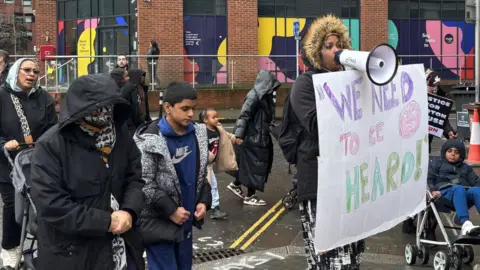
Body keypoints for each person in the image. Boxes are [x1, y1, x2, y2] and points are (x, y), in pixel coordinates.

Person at [30, 74, 146, 270]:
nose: (104, 113)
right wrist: (105, 222)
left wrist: (129, 210)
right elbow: (51, 204)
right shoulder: (51, 145)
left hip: (120, 249)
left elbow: (135, 179)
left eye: (109, 106)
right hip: (71, 254)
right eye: (97, 107)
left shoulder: (121, 136)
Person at [288, 14, 363, 268]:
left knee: (350, 258)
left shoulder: (353, 81)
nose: (336, 51)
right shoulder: (305, 84)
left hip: (348, 182)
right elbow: (316, 125)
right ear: (317, 53)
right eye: (328, 46)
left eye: (339, 45)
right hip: (318, 184)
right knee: (328, 260)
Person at [134, 82, 211, 270]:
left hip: (186, 221)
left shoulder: (199, 133)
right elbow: (144, 184)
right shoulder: (149, 140)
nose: (191, 114)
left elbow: (201, 173)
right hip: (158, 222)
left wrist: (203, 200)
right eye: (185, 109)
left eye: (193, 108)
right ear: (167, 107)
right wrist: (171, 210)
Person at [0, 58, 58, 268]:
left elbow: (53, 128)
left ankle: (44, 246)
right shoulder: (2, 96)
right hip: (7, 164)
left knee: (41, 205)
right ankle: (10, 249)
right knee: (12, 206)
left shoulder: (44, 98)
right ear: (16, 72)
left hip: (38, 162)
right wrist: (4, 144)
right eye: (26, 70)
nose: (31, 74)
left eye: (35, 71)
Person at [226, 70, 279, 206]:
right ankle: (250, 196)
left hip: (259, 136)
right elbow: (244, 115)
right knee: (254, 165)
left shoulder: (264, 96)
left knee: (249, 164)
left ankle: (236, 184)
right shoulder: (254, 96)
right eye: (271, 85)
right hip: (253, 137)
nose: (273, 89)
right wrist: (239, 135)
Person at [428, 139, 480, 236]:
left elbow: (476, 182)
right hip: (443, 194)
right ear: (444, 152)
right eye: (450, 151)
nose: (453, 154)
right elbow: (430, 179)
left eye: (456, 152)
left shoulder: (465, 167)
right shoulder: (437, 164)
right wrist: (433, 190)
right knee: (459, 188)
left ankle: (461, 217)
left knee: (476, 190)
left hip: (462, 195)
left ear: (461, 155)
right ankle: (465, 223)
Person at [199, 108, 238, 219]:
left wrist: (236, 139)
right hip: (202, 164)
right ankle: (214, 209)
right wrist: (207, 154)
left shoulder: (218, 128)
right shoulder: (202, 132)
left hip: (209, 164)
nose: (217, 119)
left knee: (210, 185)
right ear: (205, 120)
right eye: (213, 117)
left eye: (217, 116)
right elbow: (197, 145)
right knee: (212, 186)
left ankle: (212, 207)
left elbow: (226, 134)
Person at [426, 69, 457, 153]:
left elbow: (441, 117)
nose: (432, 90)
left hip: (427, 138)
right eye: (430, 87)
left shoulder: (439, 96)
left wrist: (449, 132)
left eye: (434, 87)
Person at [122, 69, 152, 136]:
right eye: (141, 76)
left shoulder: (143, 87)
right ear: (135, 76)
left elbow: (146, 103)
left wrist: (148, 118)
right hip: (133, 122)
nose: (143, 77)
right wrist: (130, 123)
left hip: (142, 118)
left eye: (144, 76)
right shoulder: (128, 89)